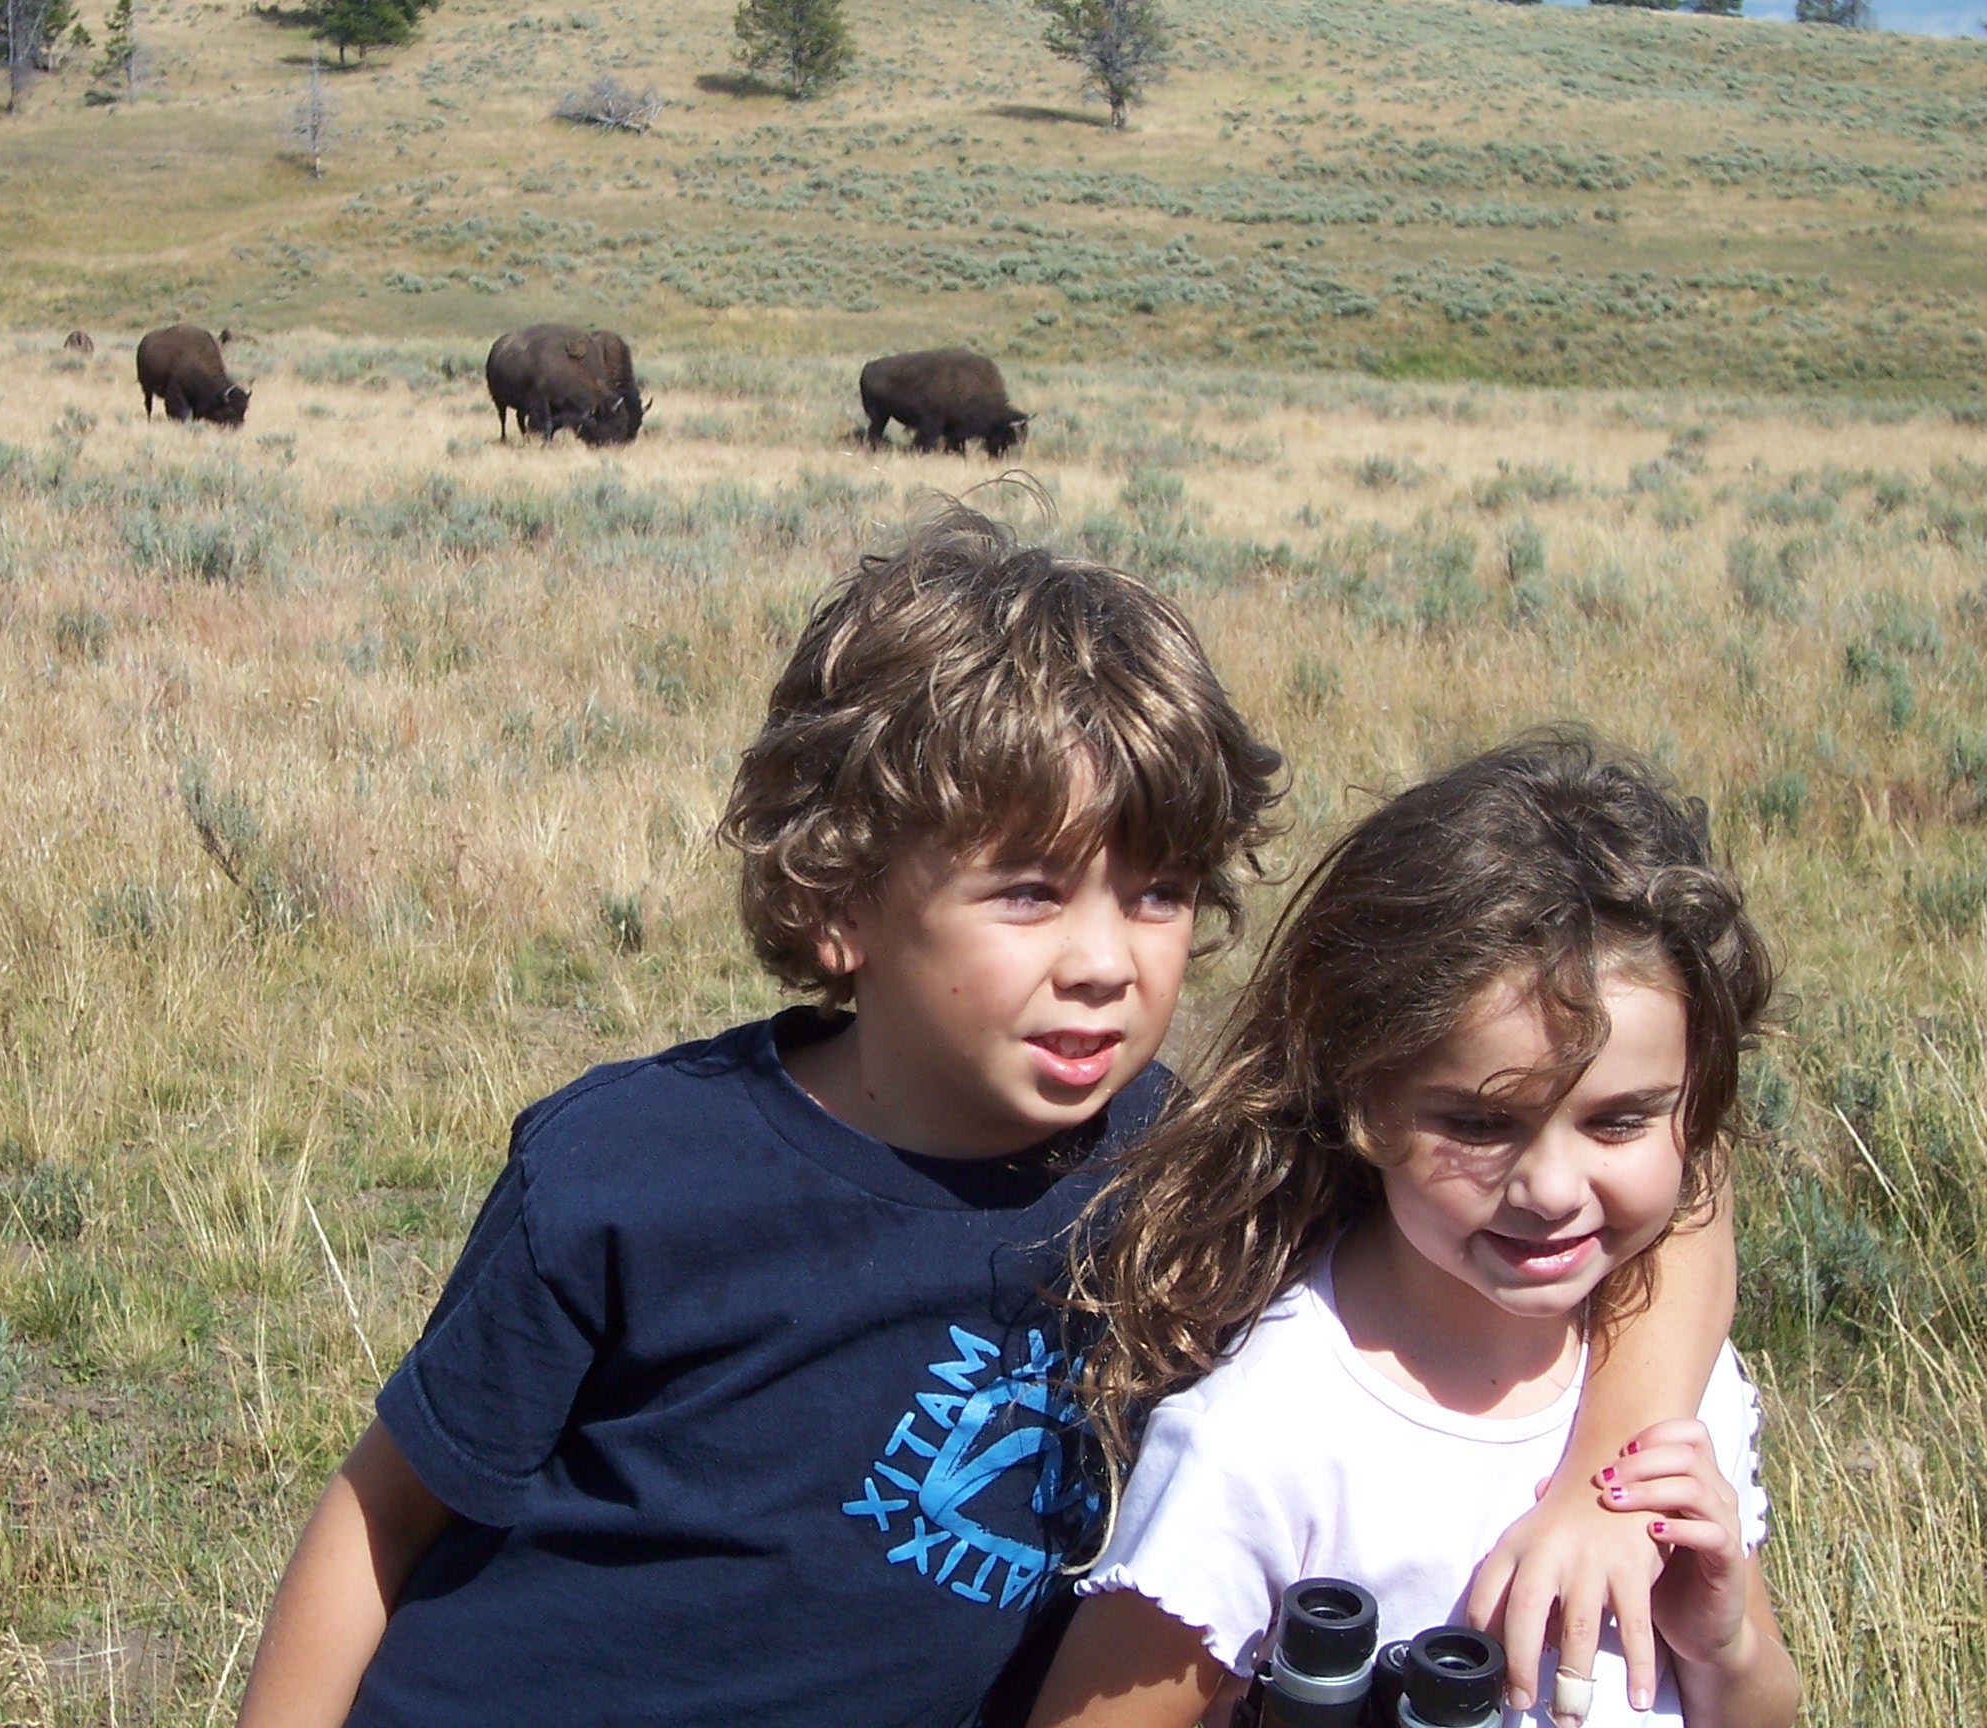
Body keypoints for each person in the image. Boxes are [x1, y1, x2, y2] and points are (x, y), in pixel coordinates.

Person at [233, 508, 1733, 1728]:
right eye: (1029, 891)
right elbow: (380, 1520)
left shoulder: (1200, 1168)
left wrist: (1612, 1478)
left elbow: (1666, 1197)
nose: (1106, 959)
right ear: (839, 901)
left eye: (1154, 891)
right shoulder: (627, 1171)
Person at [1028, 734, 1800, 1728]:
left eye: (1620, 1119)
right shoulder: (1265, 1444)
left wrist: (1725, 1643)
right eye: (1479, 1122)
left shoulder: (1674, 1387)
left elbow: (1762, 1705)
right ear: (1361, 1096)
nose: (1554, 1188)